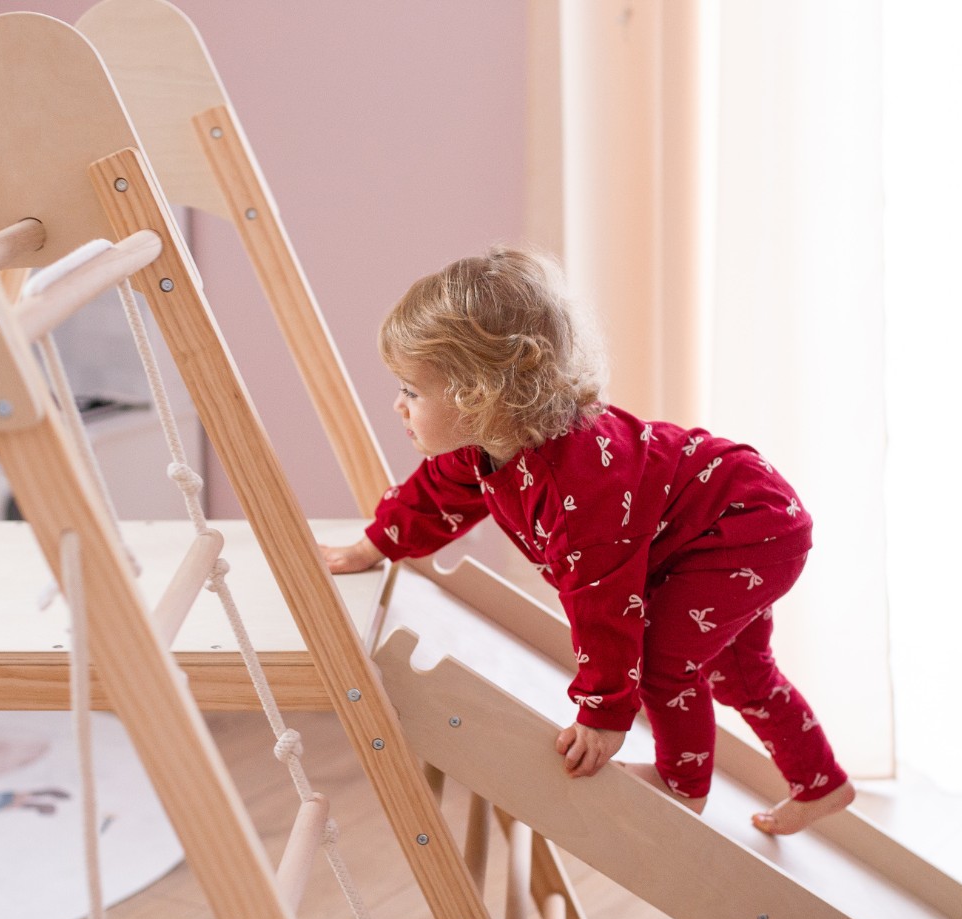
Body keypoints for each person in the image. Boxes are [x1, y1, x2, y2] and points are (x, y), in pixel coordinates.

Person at [321, 246, 854, 835]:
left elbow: (604, 604)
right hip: (735, 520)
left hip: (744, 527)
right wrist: (373, 546)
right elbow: (433, 498)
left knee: (664, 662)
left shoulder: (575, 491)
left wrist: (603, 715)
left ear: (482, 394)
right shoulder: (487, 446)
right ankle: (821, 784)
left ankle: (684, 786)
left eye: (413, 392)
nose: (398, 405)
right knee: (740, 671)